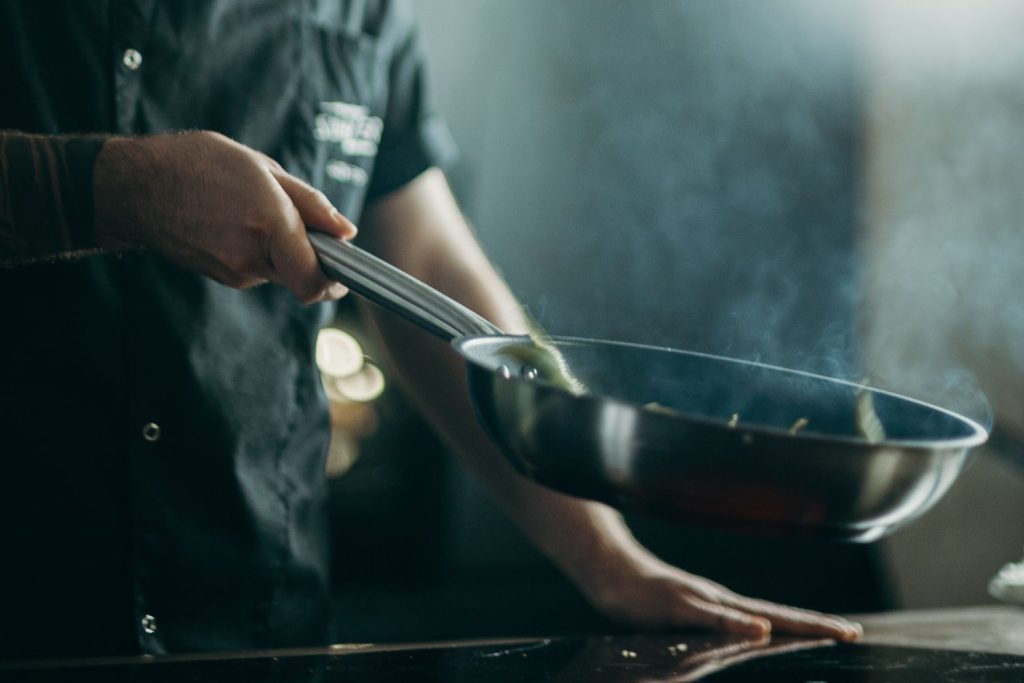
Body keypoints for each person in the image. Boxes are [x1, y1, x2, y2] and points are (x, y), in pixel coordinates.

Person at [0, 0, 862, 660]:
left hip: (254, 618)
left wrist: (605, 555)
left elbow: (426, 261)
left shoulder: (362, 11)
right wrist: (112, 189)